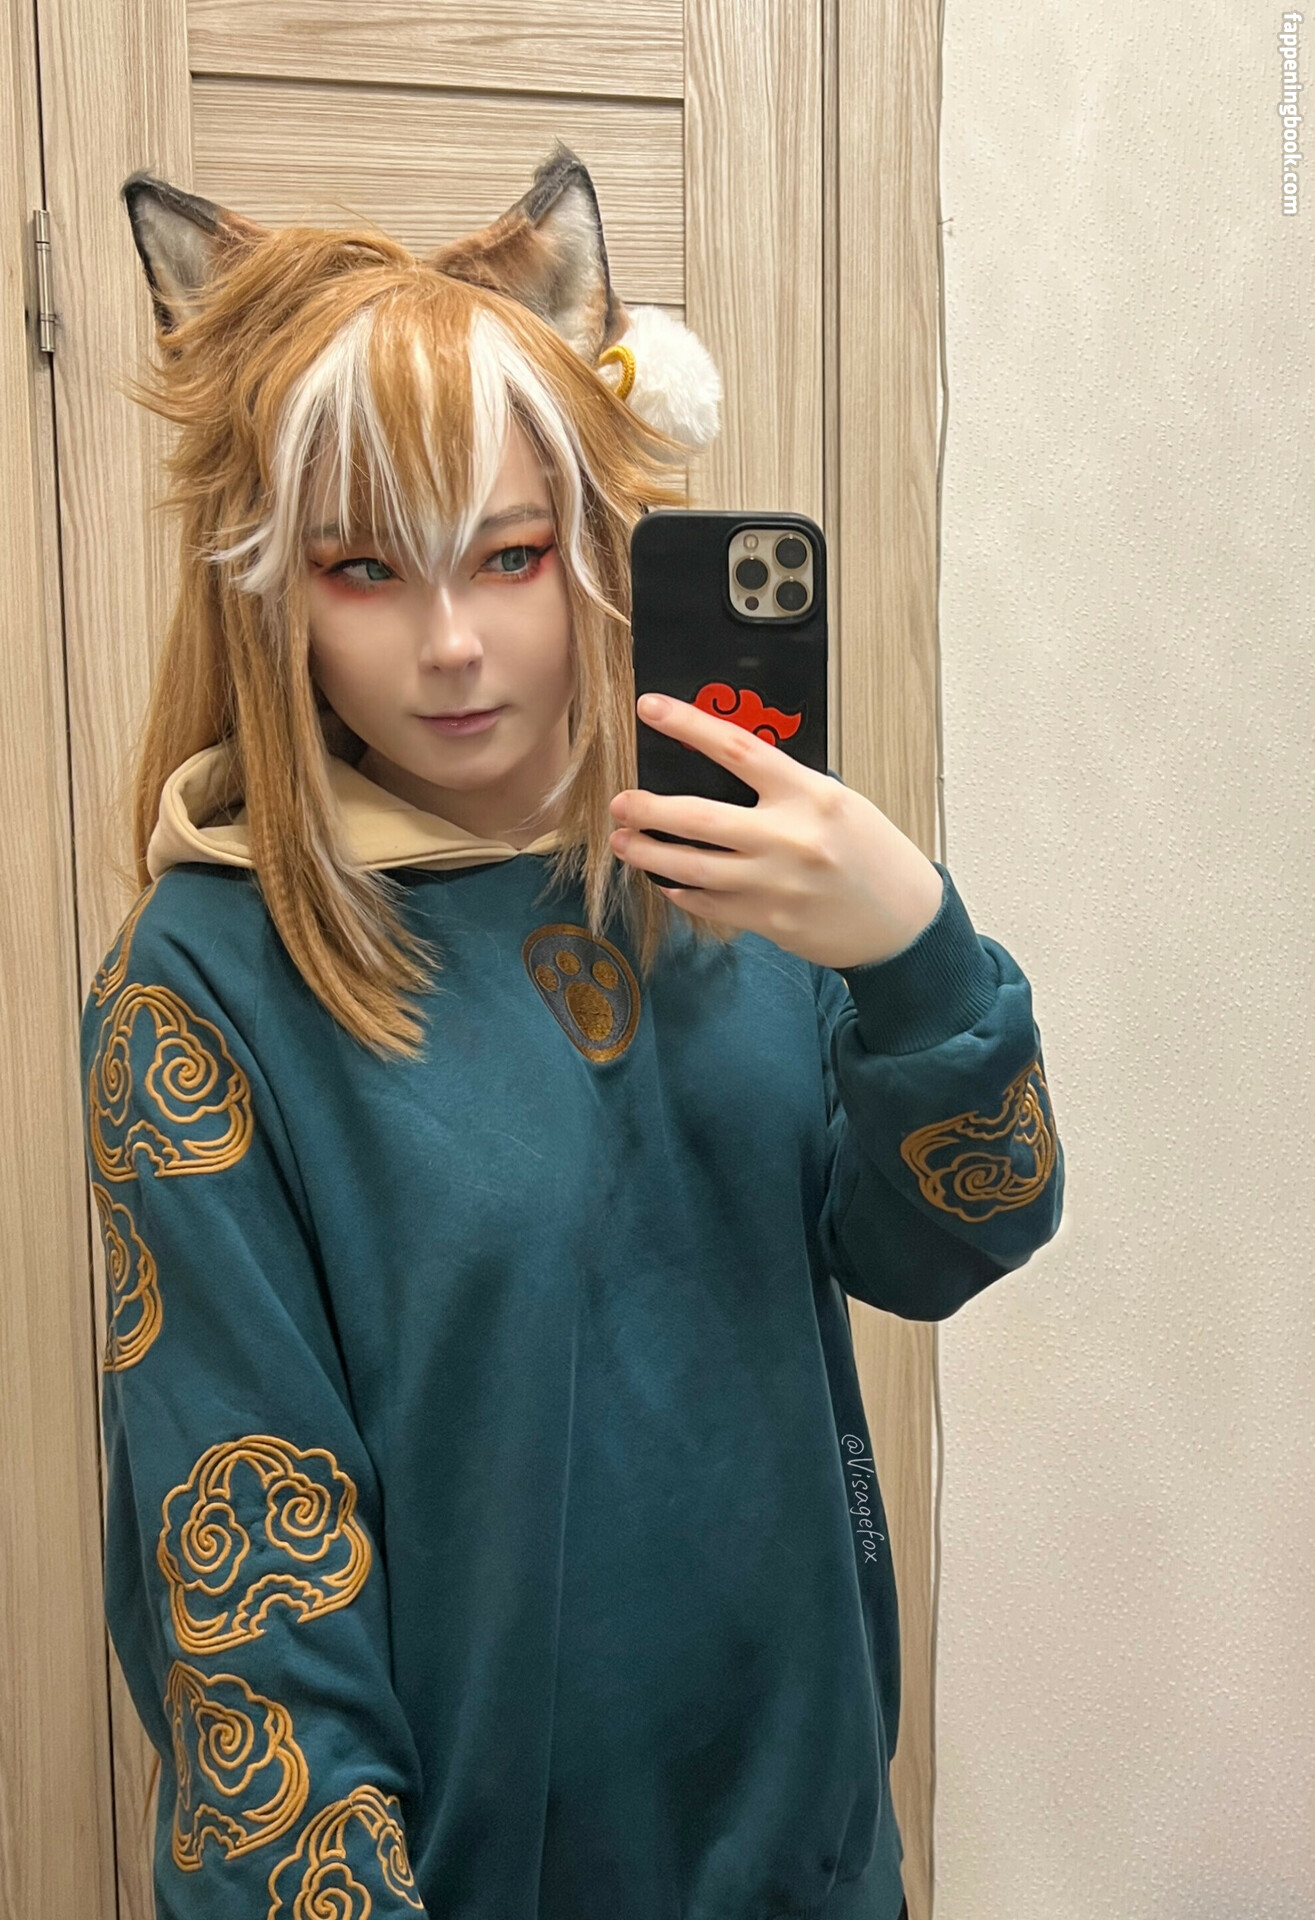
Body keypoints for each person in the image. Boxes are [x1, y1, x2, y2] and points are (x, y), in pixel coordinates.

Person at [81, 143, 1063, 1920]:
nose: (453, 644)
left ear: (590, 546)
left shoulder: (728, 871)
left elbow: (951, 1239)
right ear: (272, 588)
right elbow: (246, 1591)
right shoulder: (208, 974)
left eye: (510, 555)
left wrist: (914, 949)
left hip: (814, 1863)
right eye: (365, 569)